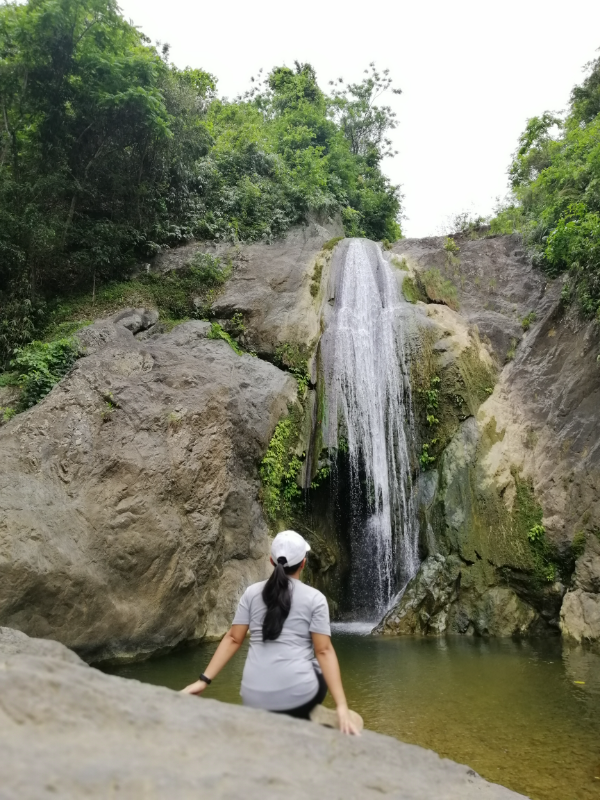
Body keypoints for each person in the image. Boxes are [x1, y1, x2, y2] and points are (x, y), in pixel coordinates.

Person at [182, 530, 362, 735]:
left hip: (253, 698)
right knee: (315, 665)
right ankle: (303, 713)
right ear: (304, 563)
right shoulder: (315, 598)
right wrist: (342, 706)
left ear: (271, 560)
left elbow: (233, 638)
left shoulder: (251, 594)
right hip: (298, 696)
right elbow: (324, 652)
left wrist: (202, 681)